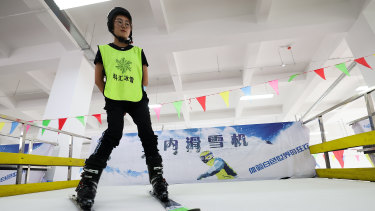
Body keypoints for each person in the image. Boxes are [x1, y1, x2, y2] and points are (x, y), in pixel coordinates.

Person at [75, 7, 168, 210]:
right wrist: (113, 96)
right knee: (113, 133)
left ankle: (157, 178)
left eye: (127, 23)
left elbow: (145, 79)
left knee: (148, 135)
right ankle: (88, 181)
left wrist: (135, 96)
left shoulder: (138, 52)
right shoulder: (104, 50)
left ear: (131, 28)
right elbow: (98, 79)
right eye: (119, 22)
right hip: (115, 98)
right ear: (111, 26)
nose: (124, 26)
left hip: (137, 98)